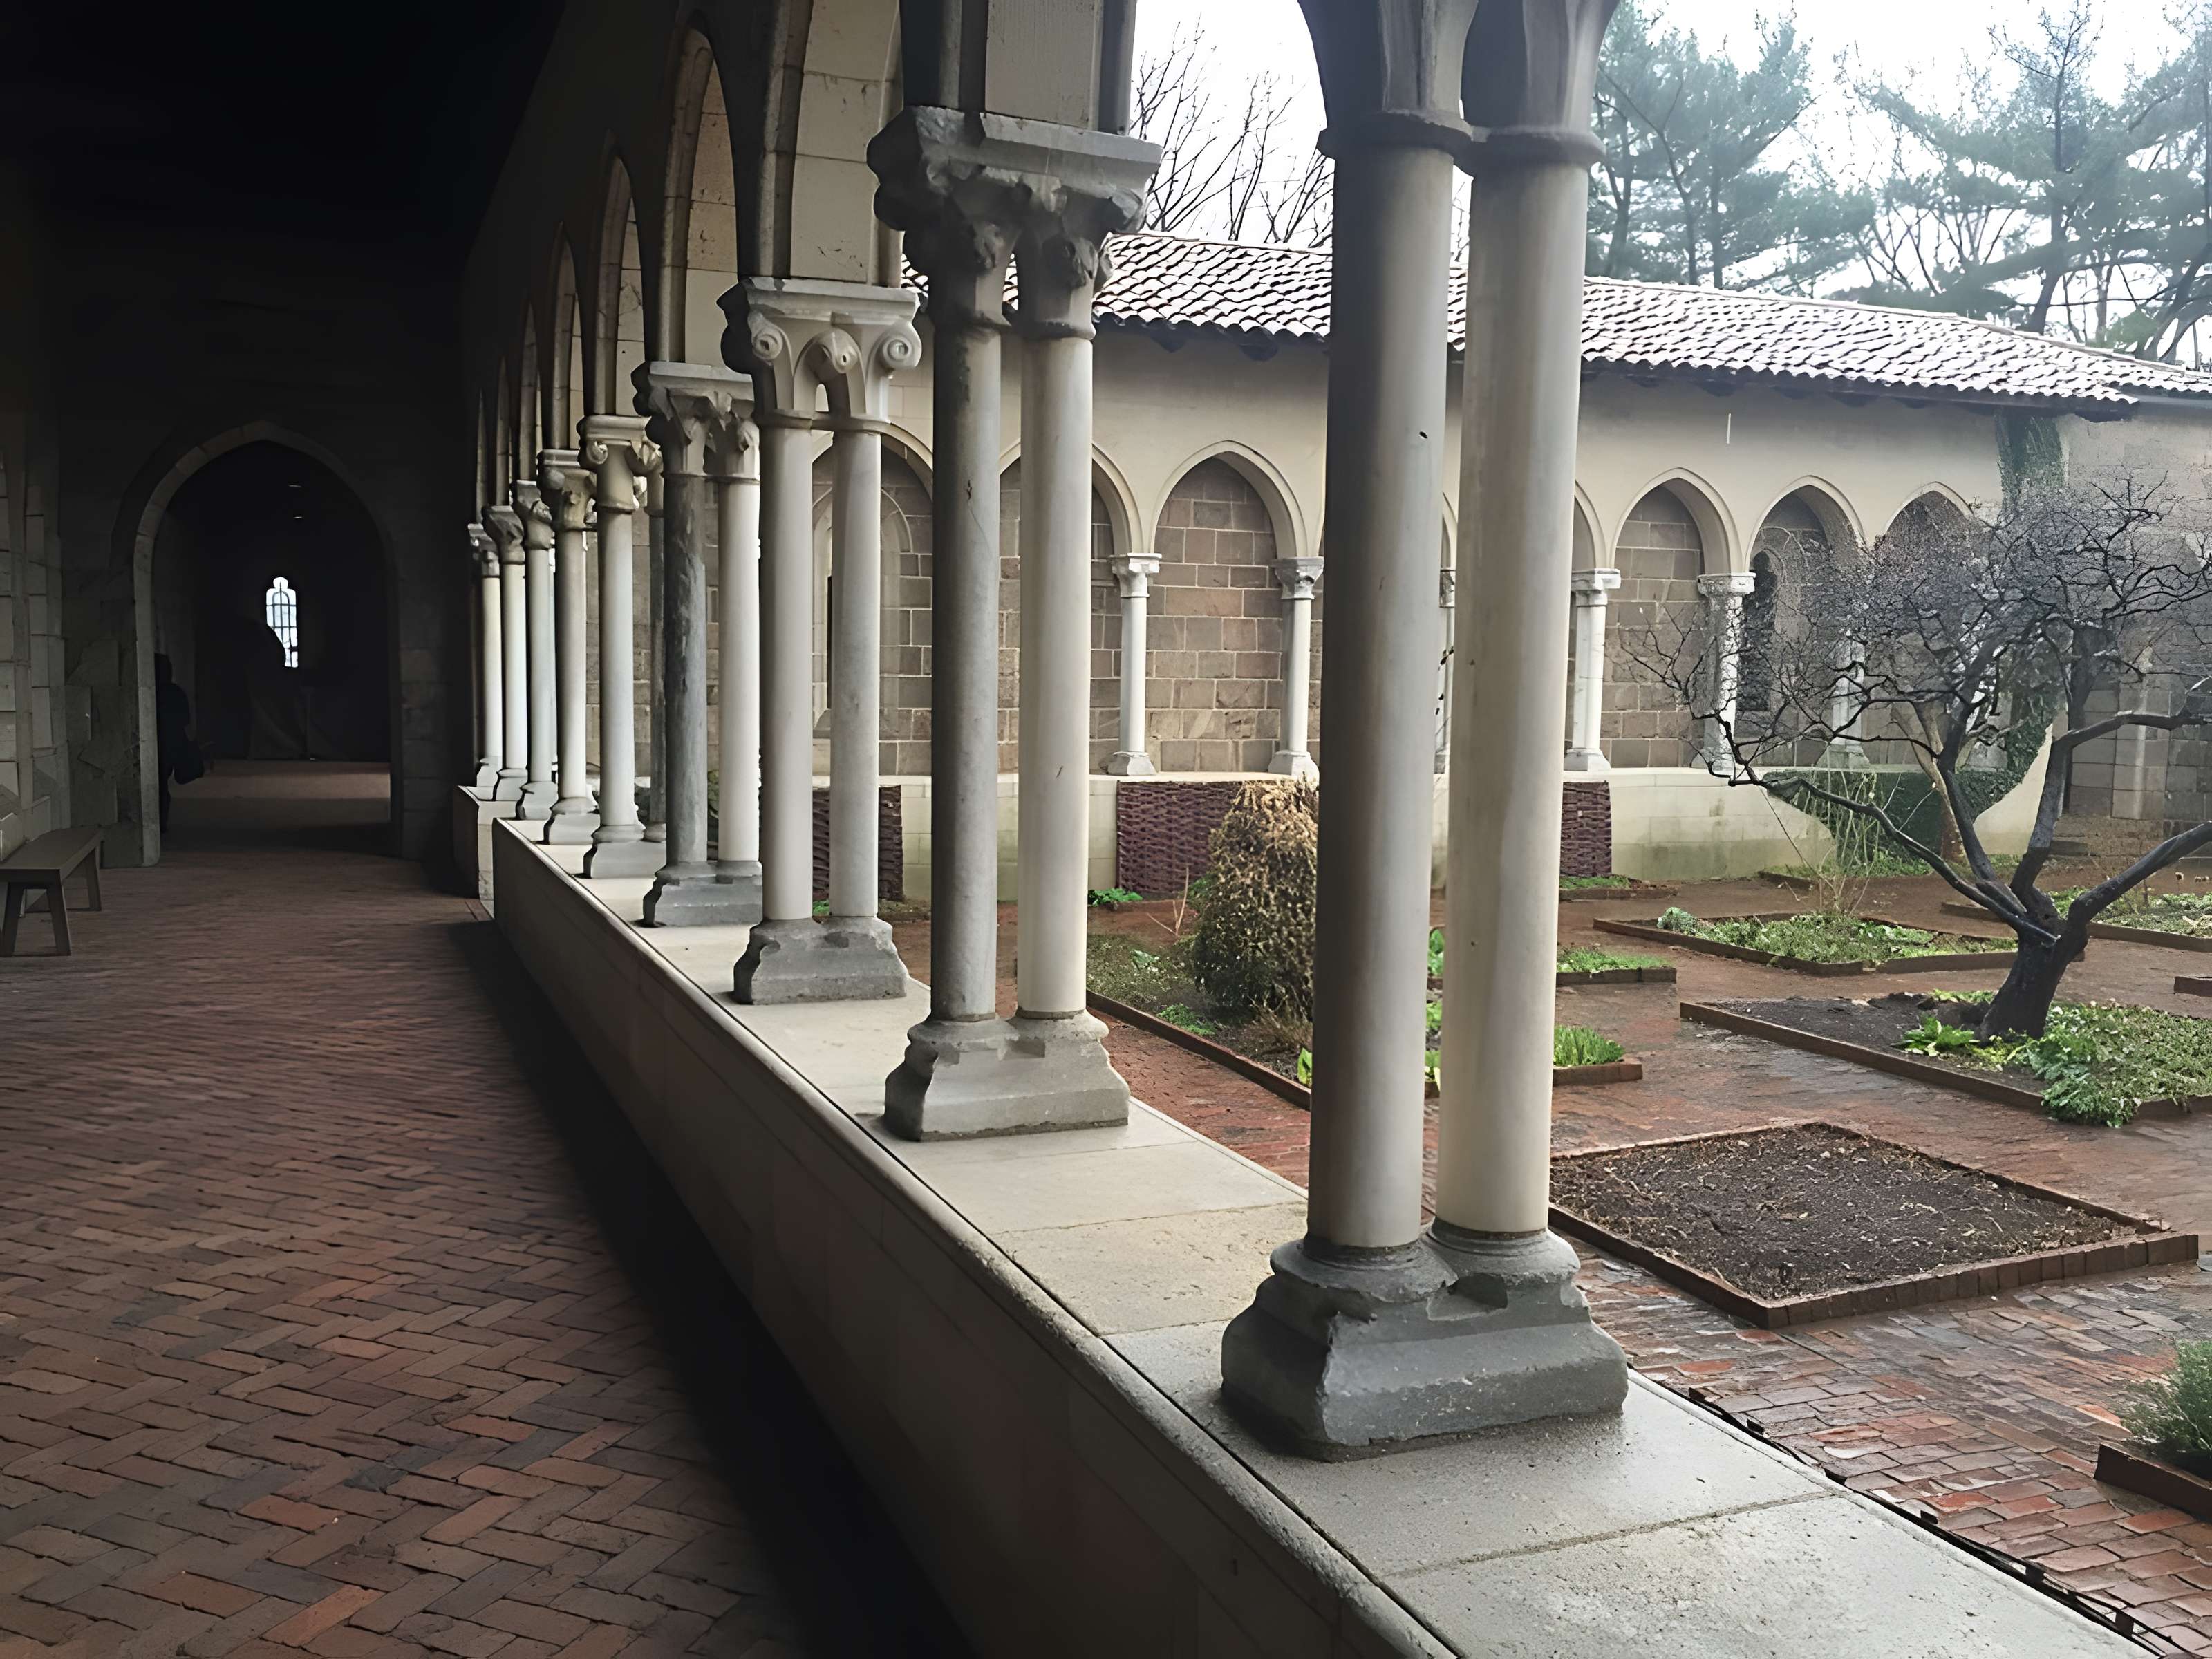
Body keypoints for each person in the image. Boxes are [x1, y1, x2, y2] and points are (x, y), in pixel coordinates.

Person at [155, 653, 202, 832]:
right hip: (171, 743)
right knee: (162, 783)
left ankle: (158, 822)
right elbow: (186, 723)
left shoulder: (151, 693)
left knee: (158, 783)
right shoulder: (175, 692)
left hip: (157, 743)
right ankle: (161, 821)